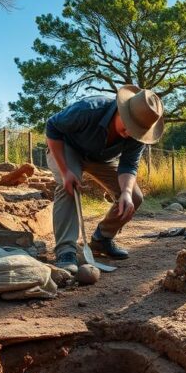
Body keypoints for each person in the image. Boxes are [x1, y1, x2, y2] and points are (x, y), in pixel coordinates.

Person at [44, 85, 164, 272]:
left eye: (136, 131)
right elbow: (52, 127)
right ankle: (65, 251)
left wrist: (125, 192)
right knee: (69, 187)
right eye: (128, 126)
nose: (131, 133)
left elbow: (129, 165)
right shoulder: (88, 109)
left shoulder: (139, 135)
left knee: (134, 197)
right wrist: (66, 171)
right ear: (120, 110)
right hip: (67, 148)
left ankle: (102, 239)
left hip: (101, 158)